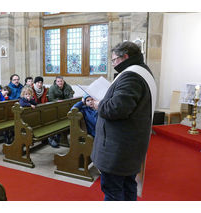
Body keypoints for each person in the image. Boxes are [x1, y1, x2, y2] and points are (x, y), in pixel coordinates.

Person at [91, 41, 156, 201]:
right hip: (128, 146)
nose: (113, 64)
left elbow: (116, 109)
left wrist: (99, 104)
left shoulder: (131, 77)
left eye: (114, 60)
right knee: (127, 186)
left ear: (124, 57)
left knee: (113, 192)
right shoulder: (141, 71)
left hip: (118, 149)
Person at [48, 76, 75, 148]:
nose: (60, 82)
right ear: (56, 82)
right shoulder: (52, 88)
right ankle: (52, 137)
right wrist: (57, 101)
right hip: (55, 107)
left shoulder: (68, 86)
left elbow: (71, 96)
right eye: (58, 81)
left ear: (63, 81)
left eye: (61, 81)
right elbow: (50, 98)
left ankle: (60, 136)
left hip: (65, 107)